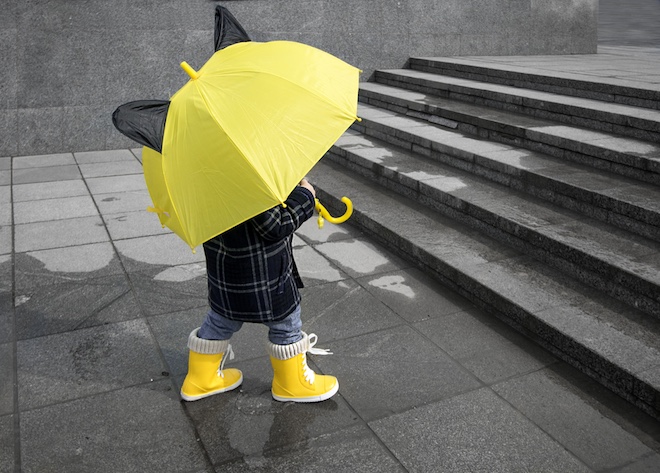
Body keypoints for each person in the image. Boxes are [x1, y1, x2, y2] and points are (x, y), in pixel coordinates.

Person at [180, 178, 339, 403]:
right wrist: (305, 196)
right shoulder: (248, 178)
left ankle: (200, 379)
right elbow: (276, 225)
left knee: (220, 320)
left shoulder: (202, 177)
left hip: (224, 269)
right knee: (286, 324)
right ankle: (291, 384)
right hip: (264, 274)